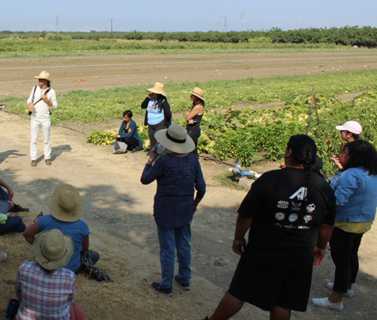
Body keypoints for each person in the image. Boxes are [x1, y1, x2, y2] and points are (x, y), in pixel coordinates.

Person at [206, 135, 336, 320]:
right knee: (283, 302)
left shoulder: (270, 179)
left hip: (264, 251)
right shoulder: (324, 187)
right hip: (300, 255)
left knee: (238, 292)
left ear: (289, 152)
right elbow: (326, 226)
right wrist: (320, 247)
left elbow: (246, 215)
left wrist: (239, 237)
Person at [140, 124, 206, 296]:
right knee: (184, 245)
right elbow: (202, 188)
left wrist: (150, 159)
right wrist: (194, 204)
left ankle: (166, 284)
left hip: (165, 211)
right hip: (185, 211)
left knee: (167, 249)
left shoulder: (163, 162)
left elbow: (145, 179)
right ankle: (184, 278)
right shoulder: (193, 160)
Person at [312, 140, 377, 311]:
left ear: (352, 157)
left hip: (345, 223)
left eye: (344, 153)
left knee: (341, 261)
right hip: (363, 223)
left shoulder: (351, 174)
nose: (340, 156)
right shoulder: (371, 172)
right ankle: (347, 287)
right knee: (351, 255)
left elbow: (338, 201)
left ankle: (335, 300)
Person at [23, 184, 99, 274]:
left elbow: (27, 234)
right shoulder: (82, 226)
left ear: (57, 204)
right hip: (71, 269)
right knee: (95, 255)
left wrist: (41, 247)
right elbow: (85, 249)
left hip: (47, 265)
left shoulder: (44, 220)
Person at [14, 229, 88, 320]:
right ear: (63, 254)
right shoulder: (69, 276)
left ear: (40, 249)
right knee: (74, 307)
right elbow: (69, 303)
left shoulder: (24, 268)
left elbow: (18, 292)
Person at [28, 71, 58, 167]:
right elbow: (29, 99)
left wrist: (47, 101)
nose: (39, 81)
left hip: (45, 118)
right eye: (39, 79)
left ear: (46, 81)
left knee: (46, 139)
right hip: (35, 118)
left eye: (41, 79)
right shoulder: (34, 88)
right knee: (33, 139)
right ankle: (33, 158)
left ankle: (47, 157)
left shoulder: (51, 92)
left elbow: (55, 106)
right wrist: (30, 104)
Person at [140, 82, 172, 150]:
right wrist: (147, 98)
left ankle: (162, 157)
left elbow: (168, 114)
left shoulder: (163, 102)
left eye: (155, 92)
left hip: (160, 123)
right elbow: (143, 106)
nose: (153, 93)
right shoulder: (150, 100)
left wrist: (166, 123)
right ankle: (152, 157)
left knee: (160, 141)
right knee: (152, 141)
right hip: (151, 124)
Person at [186, 87, 205, 157]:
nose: (190, 96)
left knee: (190, 148)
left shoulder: (197, 107)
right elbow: (188, 116)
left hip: (193, 130)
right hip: (192, 129)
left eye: (192, 95)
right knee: (192, 148)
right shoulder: (195, 105)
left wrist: (188, 116)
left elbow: (188, 116)